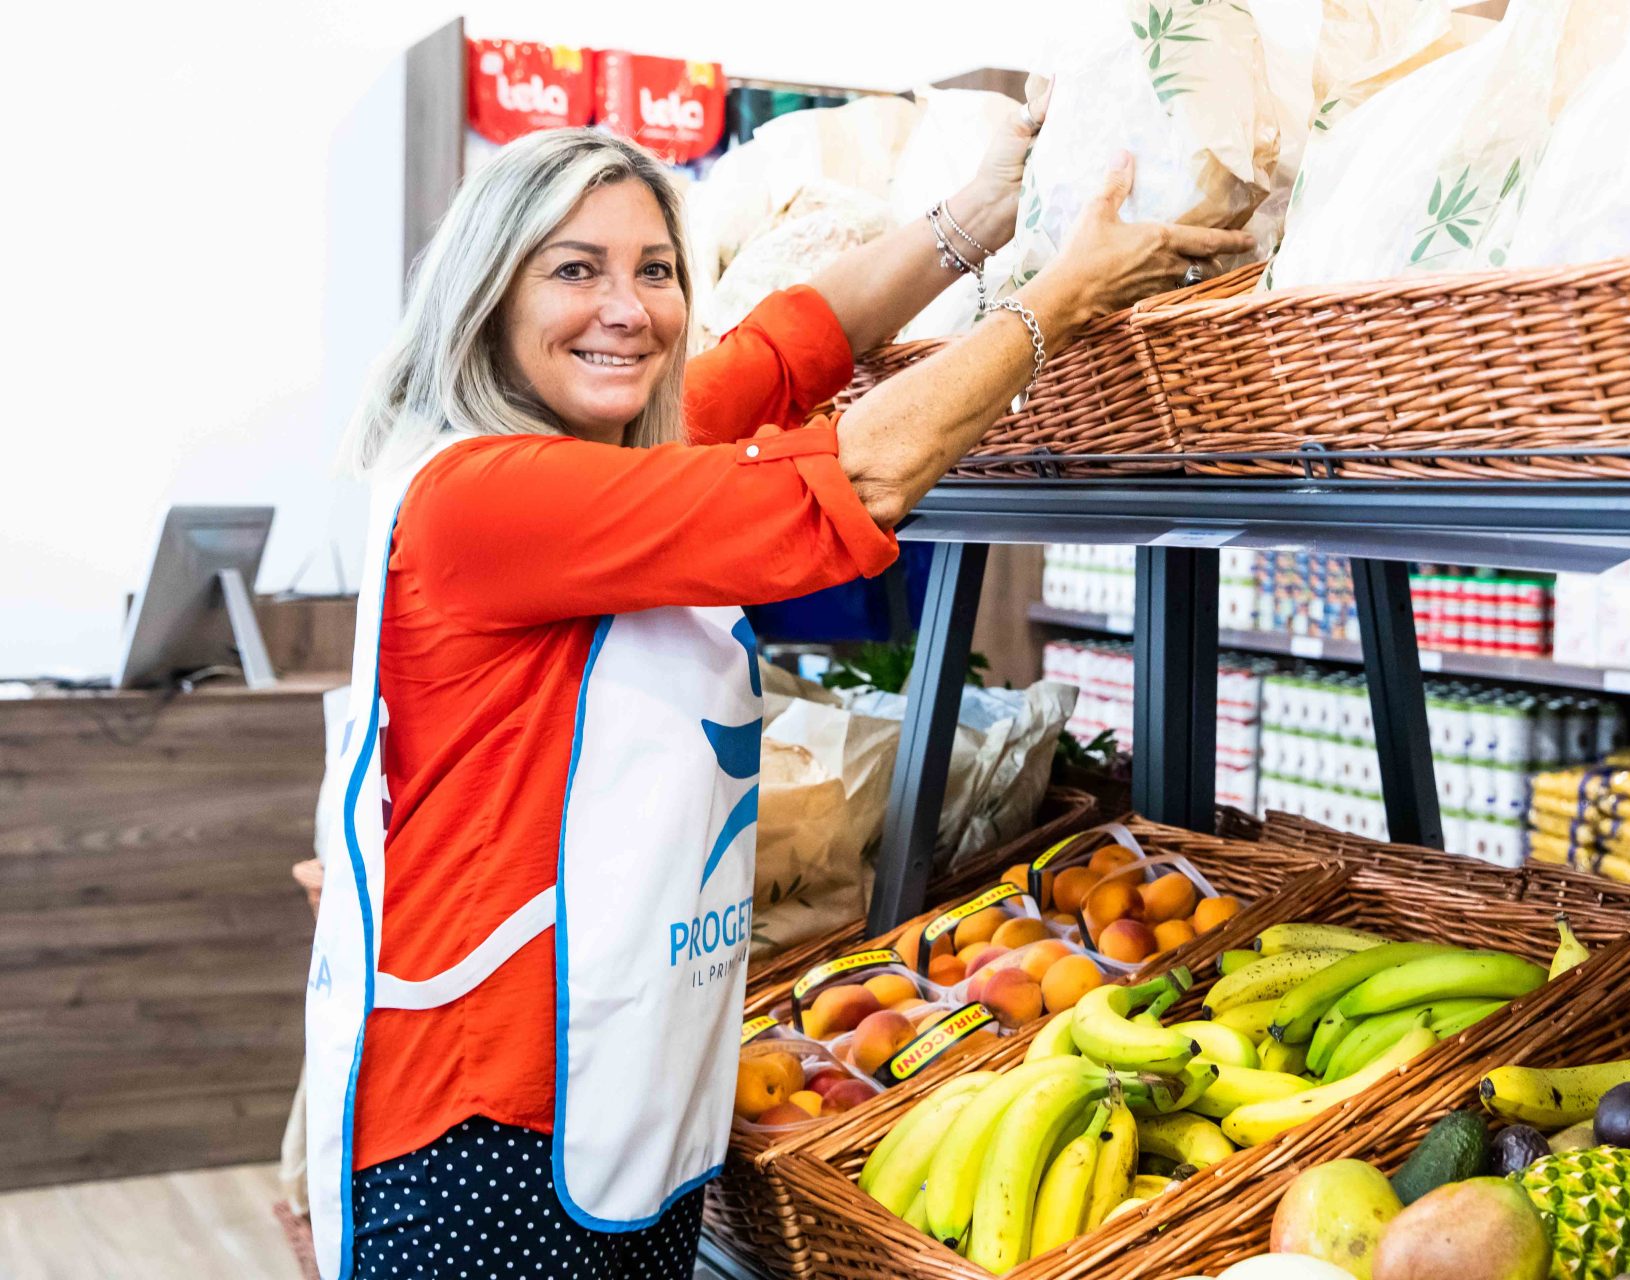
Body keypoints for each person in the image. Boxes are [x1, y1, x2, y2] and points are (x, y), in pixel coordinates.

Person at [305, 86, 1252, 1280]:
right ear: (489, 295)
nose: (628, 309)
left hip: (611, 1087)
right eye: (575, 270)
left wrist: (984, 210)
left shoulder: (606, 450)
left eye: (656, 270)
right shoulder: (485, 497)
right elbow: (865, 469)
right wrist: (1054, 298)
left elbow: (786, 348)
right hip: (485, 1128)